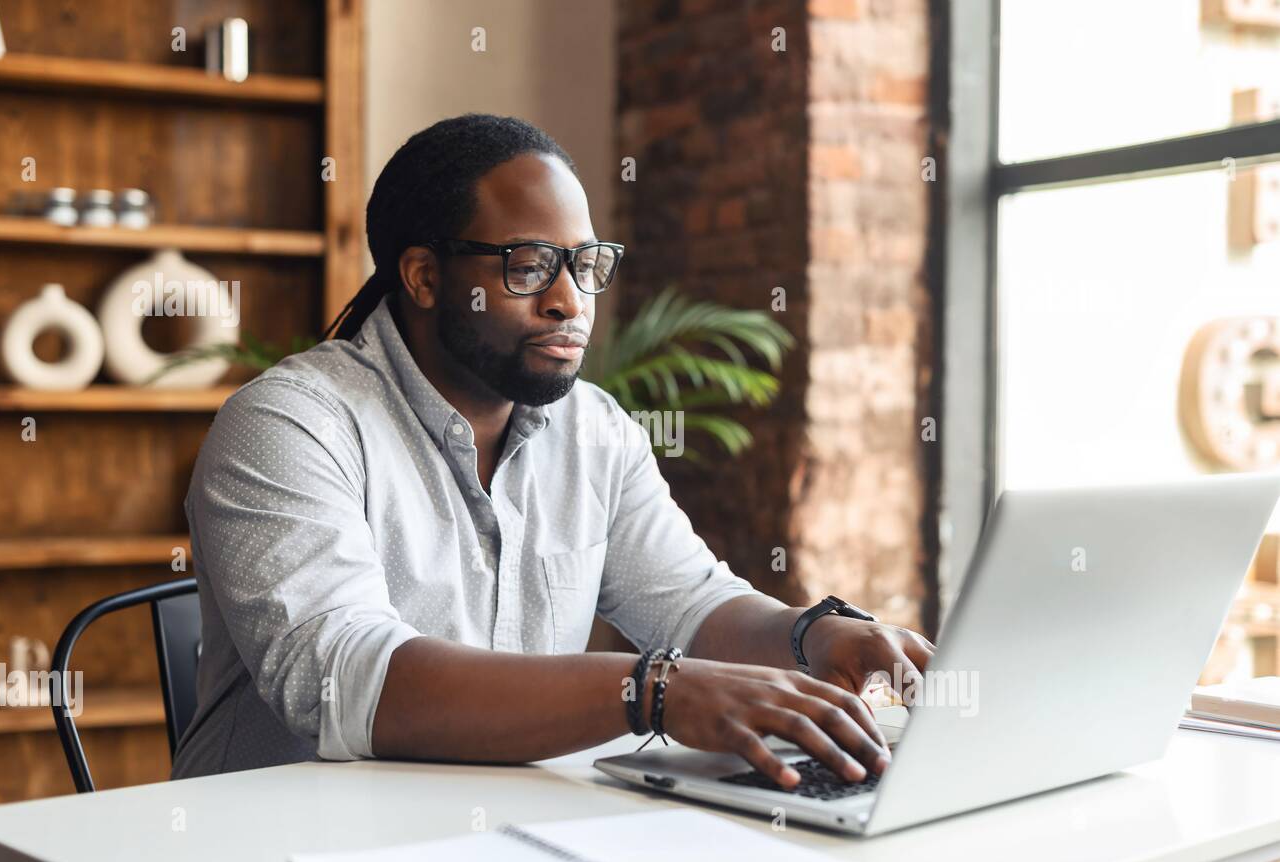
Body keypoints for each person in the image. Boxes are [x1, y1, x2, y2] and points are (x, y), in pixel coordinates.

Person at [171, 114, 933, 789]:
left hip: (500, 832)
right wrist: (651, 693)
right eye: (529, 266)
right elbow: (346, 681)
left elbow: (693, 607)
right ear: (425, 276)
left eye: (586, 264)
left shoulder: (594, 431)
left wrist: (812, 634)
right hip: (284, 840)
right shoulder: (289, 425)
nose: (570, 299)